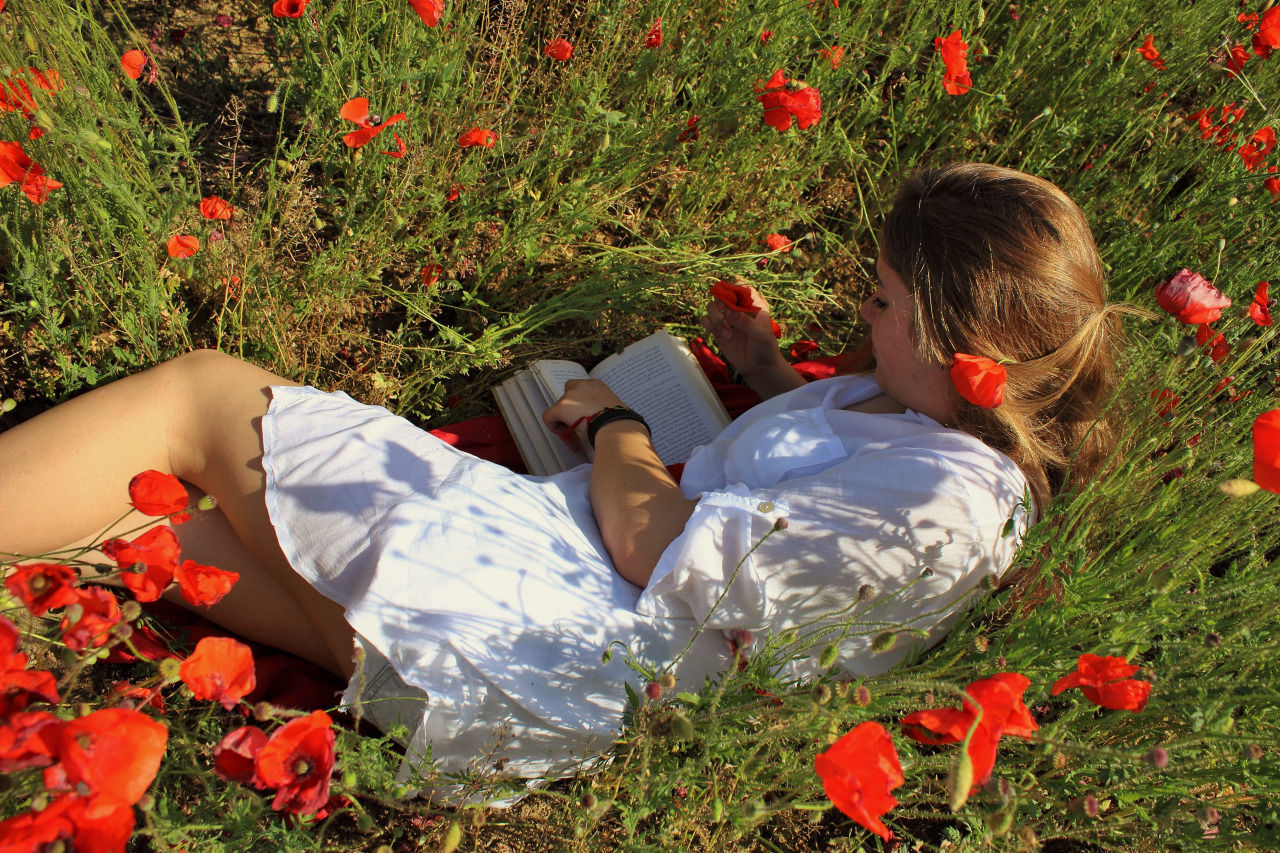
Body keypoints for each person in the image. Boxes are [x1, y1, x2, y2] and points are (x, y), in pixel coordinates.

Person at [0, 163, 1122, 801]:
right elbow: (840, 483)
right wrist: (767, 374)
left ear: (944, 333)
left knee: (196, 398)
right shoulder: (946, 433)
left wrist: (618, 427)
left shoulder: (949, 507)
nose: (861, 317)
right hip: (542, 630)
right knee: (139, 535)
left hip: (546, 629)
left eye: (879, 304)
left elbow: (659, 546)